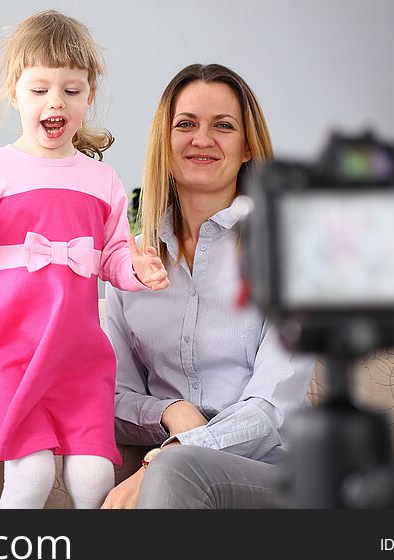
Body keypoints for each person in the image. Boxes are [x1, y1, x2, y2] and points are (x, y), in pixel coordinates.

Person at [0, 10, 168, 509]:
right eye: (40, 88)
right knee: (32, 475)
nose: (55, 102)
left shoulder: (101, 180)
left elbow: (111, 258)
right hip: (13, 353)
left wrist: (139, 270)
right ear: (14, 92)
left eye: (71, 89)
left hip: (79, 357)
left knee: (92, 477)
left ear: (89, 96)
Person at [101, 64, 316, 509]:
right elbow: (114, 398)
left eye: (223, 126)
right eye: (186, 124)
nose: (202, 139)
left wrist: (176, 452)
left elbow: (273, 410)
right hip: (176, 479)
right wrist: (167, 413)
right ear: (166, 142)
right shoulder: (130, 263)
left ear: (246, 148)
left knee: (176, 475)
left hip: (282, 476)